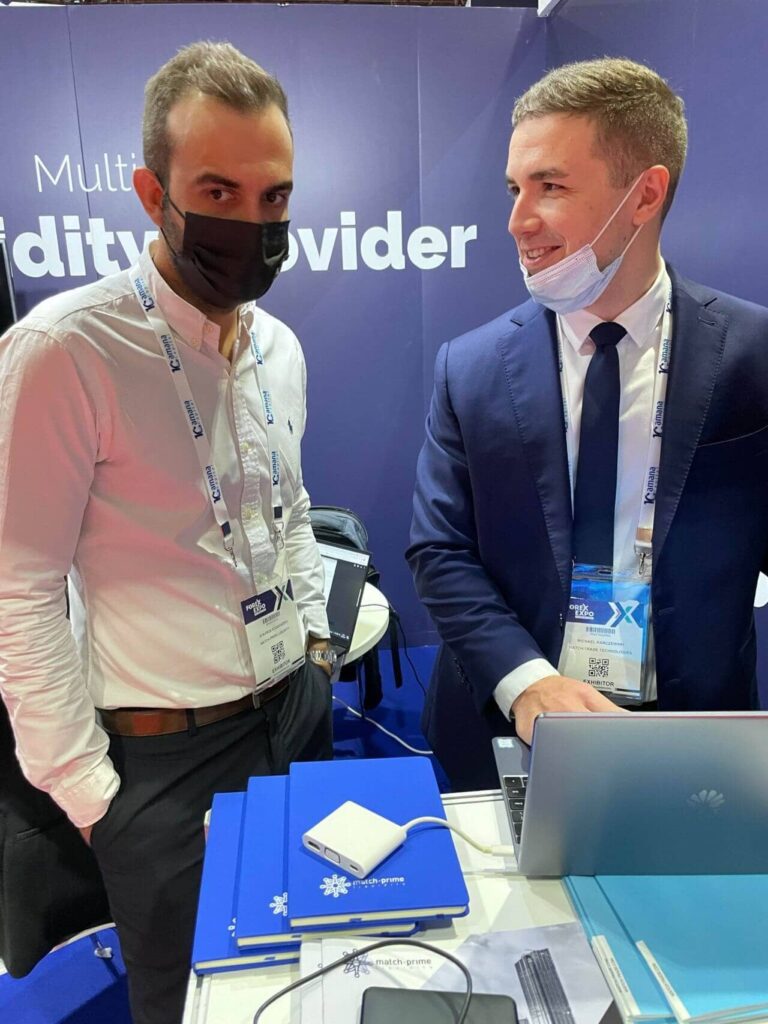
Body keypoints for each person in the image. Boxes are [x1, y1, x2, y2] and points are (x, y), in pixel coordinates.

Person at [0, 42, 336, 1024]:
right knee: (195, 1003)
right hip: (162, 765)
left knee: (312, 974)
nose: (252, 222)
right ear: (154, 194)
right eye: (218, 191)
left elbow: (291, 515)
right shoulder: (64, 353)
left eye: (275, 196)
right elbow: (19, 590)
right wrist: (95, 800)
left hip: (295, 715)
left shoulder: (280, 347)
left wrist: (316, 645)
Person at [408, 57, 768, 791]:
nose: (517, 220)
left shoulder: (754, 355)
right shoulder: (470, 368)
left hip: (696, 734)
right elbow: (440, 548)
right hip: (513, 728)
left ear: (644, 195)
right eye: (514, 188)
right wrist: (527, 683)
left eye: (550, 186)